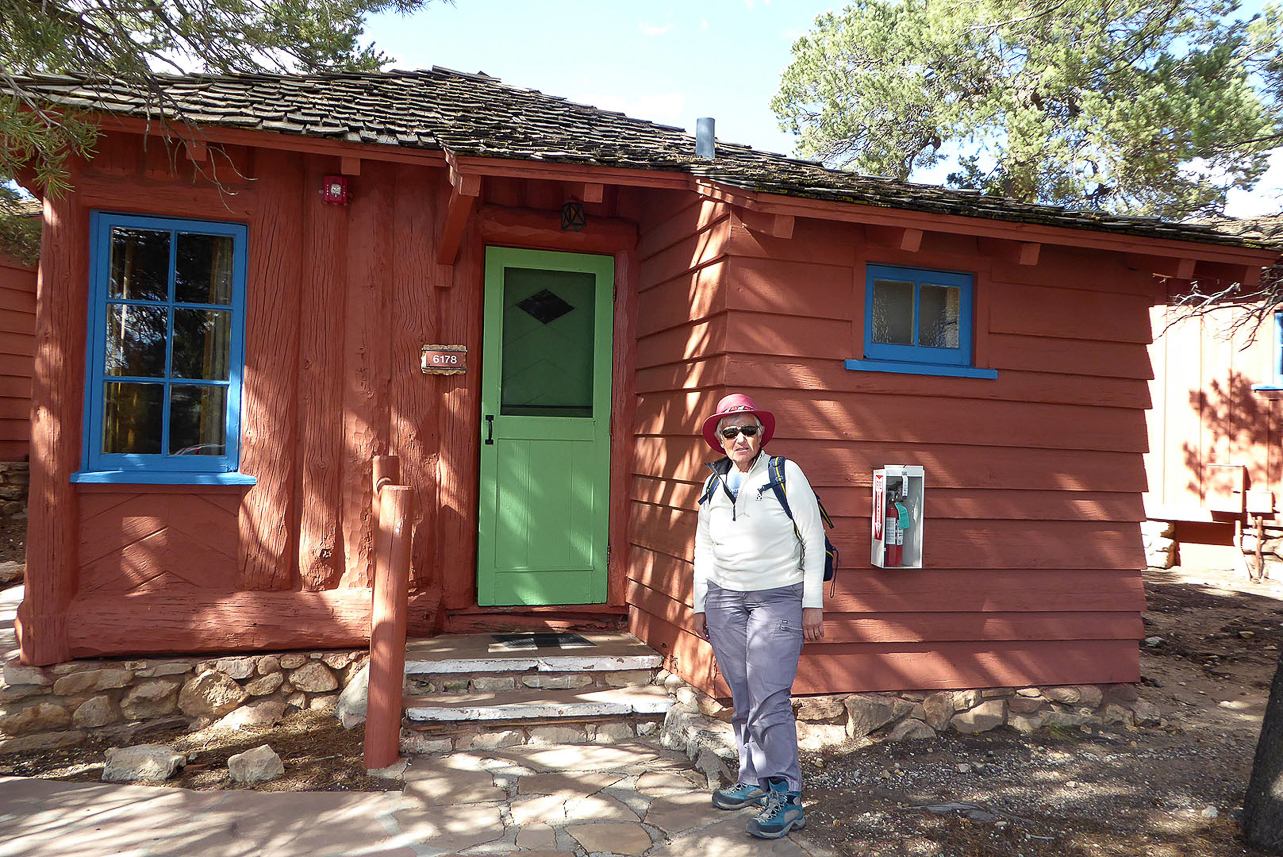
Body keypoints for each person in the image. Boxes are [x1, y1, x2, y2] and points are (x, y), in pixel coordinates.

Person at [692, 392, 826, 840]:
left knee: (770, 699)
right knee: (744, 695)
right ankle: (752, 780)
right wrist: (698, 604)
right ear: (719, 439)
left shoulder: (786, 474)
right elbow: (703, 549)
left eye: (748, 429)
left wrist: (812, 604)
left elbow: (811, 539)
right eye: (731, 432)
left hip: (777, 598)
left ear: (761, 433)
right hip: (725, 601)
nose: (740, 438)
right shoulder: (714, 484)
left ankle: (787, 800)